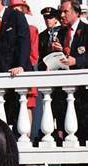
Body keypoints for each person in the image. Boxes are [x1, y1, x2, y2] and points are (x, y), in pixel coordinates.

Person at [51, 0, 88, 144]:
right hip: (62, 92)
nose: (61, 15)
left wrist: (77, 61)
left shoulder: (86, 31)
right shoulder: (60, 32)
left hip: (82, 94)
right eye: (61, 11)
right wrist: (55, 52)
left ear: (76, 13)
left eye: (65, 11)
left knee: (82, 131)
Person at [9, 0, 38, 129]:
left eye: (18, 9)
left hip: (26, 70)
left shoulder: (31, 29)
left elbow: (34, 55)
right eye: (14, 10)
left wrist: (22, 66)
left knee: (27, 105)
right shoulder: (8, 28)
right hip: (11, 72)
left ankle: (27, 137)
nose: (16, 13)